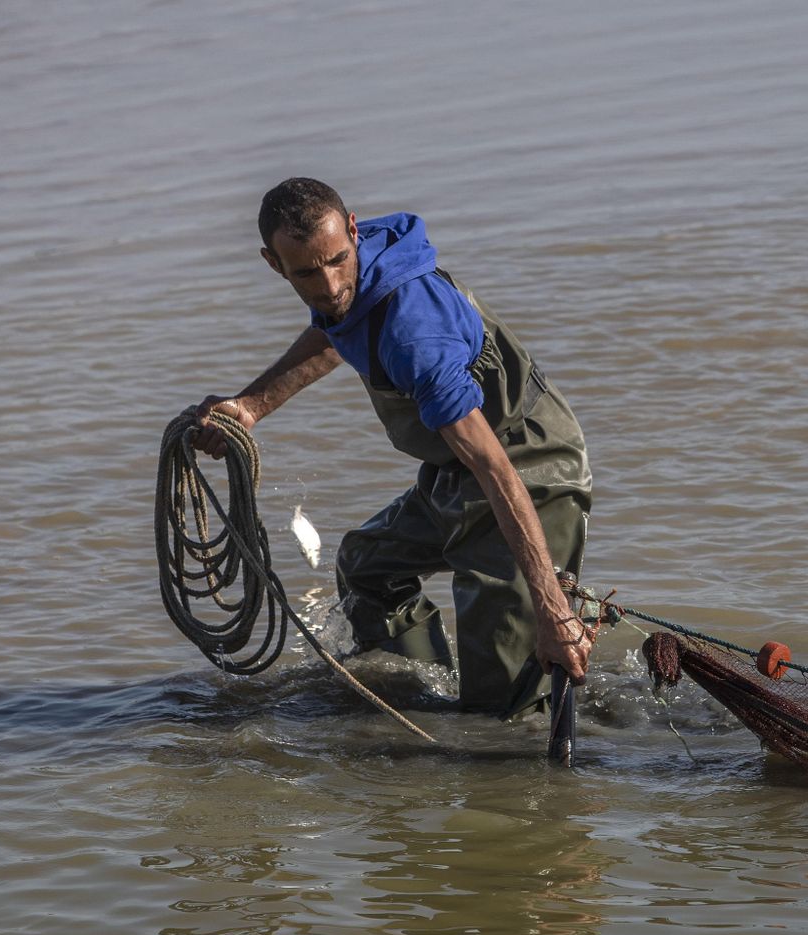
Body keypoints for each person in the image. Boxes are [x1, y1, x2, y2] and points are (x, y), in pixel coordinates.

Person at [192, 177, 593, 716]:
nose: (330, 286)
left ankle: (502, 712)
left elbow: (496, 470)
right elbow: (337, 331)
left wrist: (552, 609)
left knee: (499, 710)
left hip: (528, 468)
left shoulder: (415, 337)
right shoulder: (355, 268)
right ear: (273, 263)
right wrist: (252, 405)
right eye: (307, 273)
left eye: (337, 261)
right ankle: (416, 703)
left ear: (352, 229)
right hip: (456, 470)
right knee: (366, 569)